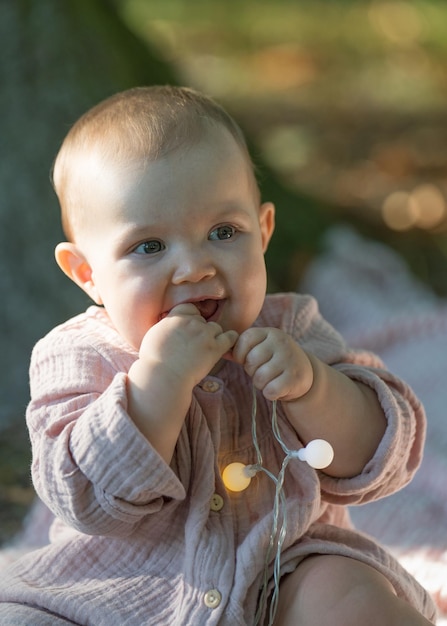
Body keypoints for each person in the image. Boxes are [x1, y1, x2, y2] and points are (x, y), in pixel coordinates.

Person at [0, 86, 436, 625]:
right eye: (149, 246)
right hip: (115, 590)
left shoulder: (292, 330)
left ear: (264, 231)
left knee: (347, 591)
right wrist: (157, 382)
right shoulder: (76, 357)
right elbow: (83, 497)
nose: (194, 268)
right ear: (86, 273)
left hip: (279, 573)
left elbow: (381, 458)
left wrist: (314, 387)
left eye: (223, 232)